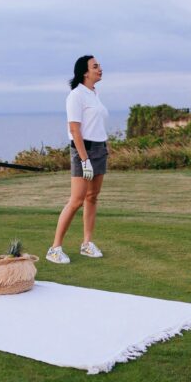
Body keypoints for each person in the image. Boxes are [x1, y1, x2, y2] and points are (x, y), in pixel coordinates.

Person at [46, 55, 109, 264]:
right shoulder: (76, 95)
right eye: (95, 66)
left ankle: (87, 244)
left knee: (92, 198)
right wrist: (84, 160)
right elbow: (74, 129)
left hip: (99, 149)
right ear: (85, 72)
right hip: (84, 151)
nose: (100, 69)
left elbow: (95, 125)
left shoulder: (93, 93)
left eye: (99, 66)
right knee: (76, 200)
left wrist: (103, 149)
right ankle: (54, 248)